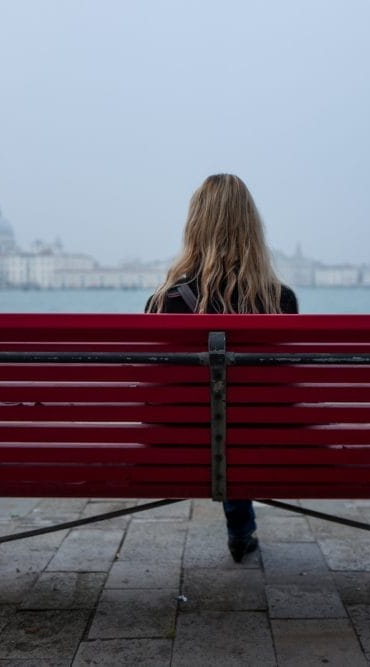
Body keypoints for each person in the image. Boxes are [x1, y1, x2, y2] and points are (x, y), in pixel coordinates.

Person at [146, 173, 298, 563]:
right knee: (240, 424)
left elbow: (154, 395)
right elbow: (282, 394)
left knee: (220, 424)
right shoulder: (281, 300)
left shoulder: (164, 302)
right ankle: (241, 529)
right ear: (252, 227)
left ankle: (241, 528)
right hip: (264, 446)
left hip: (176, 446)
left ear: (195, 225)